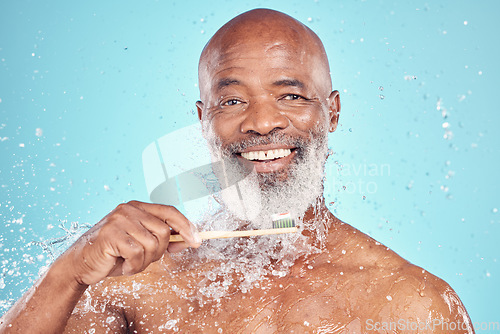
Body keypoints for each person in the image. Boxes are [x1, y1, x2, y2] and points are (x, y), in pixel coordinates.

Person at [0, 8, 474, 333]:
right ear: (204, 119)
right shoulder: (142, 282)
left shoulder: (411, 302)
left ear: (332, 113)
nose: (262, 122)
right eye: (232, 100)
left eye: (291, 95)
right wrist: (71, 270)